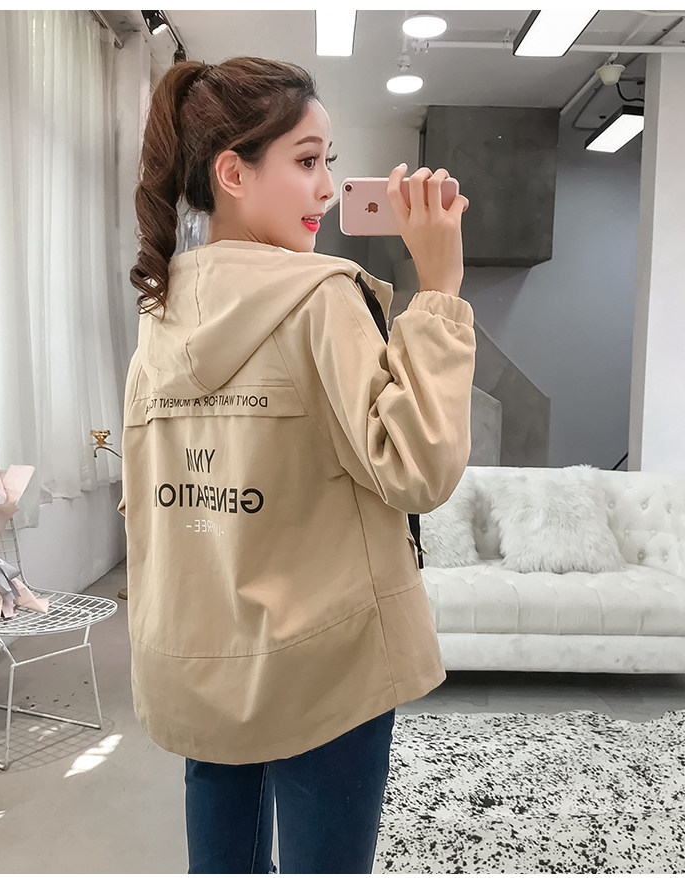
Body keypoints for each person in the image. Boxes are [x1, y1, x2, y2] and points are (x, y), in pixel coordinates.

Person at [117, 56, 476, 874]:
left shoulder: (159, 316)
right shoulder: (320, 300)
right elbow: (418, 468)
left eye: (329, 163)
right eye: (308, 160)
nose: (326, 187)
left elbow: (152, 505)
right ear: (232, 173)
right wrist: (440, 288)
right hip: (326, 662)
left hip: (201, 658)